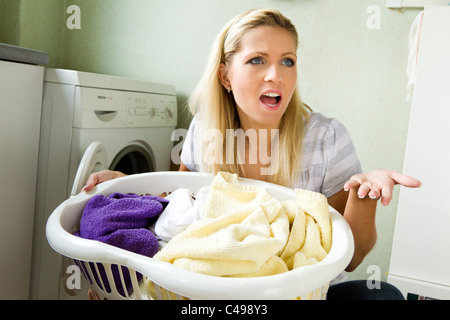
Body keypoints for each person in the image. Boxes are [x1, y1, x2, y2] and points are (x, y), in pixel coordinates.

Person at [84, 9, 421, 300]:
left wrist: (366, 195)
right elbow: (180, 213)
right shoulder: (204, 132)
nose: (276, 74)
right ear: (225, 76)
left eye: (287, 61)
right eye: (257, 60)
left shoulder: (325, 138)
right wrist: (127, 188)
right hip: (218, 288)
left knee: (382, 294)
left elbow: (349, 259)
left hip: (300, 289)